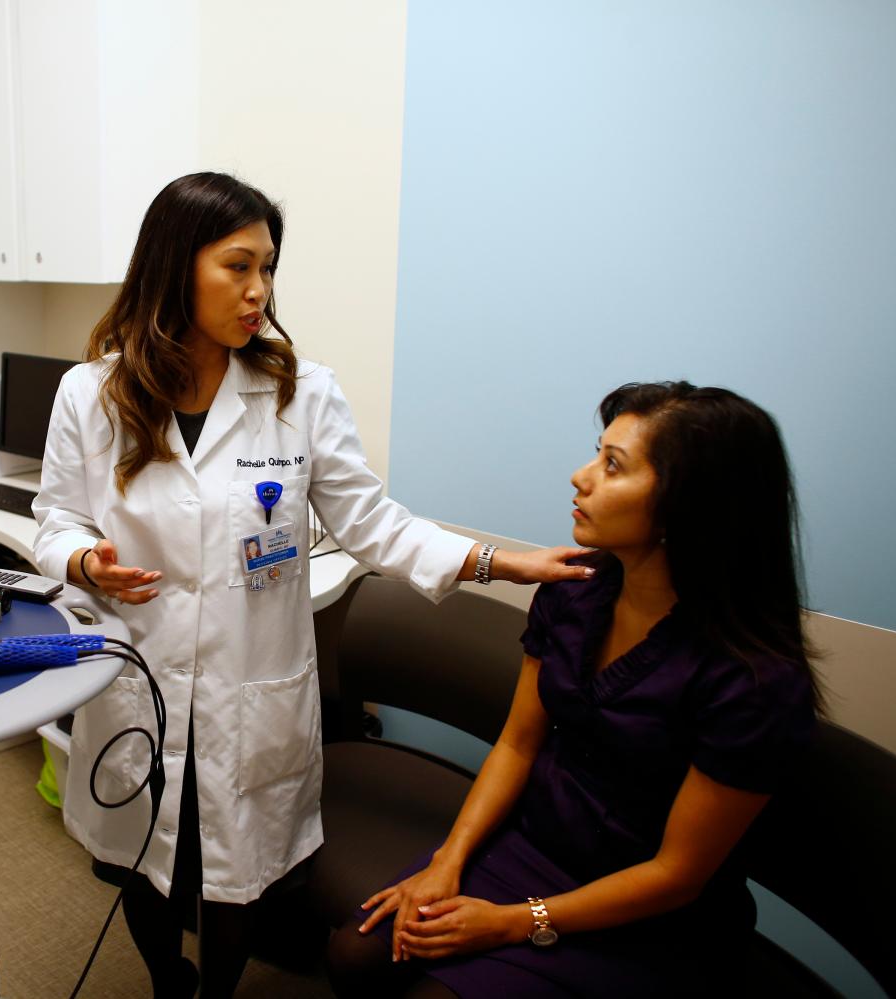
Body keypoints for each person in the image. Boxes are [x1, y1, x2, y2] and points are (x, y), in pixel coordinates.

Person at [31, 172, 589, 998]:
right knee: (141, 865)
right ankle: (166, 981)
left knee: (234, 876)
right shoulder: (93, 394)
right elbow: (54, 519)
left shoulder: (299, 394)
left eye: (269, 268)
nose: (259, 290)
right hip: (138, 677)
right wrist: (84, 562)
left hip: (248, 691)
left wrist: (500, 562)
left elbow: (372, 523)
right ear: (174, 266)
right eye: (237, 266)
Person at [324, 382, 821, 998]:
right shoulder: (573, 595)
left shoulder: (753, 680)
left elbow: (676, 874)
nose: (580, 477)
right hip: (533, 848)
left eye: (613, 466)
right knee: (355, 953)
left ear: (687, 507)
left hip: (650, 913)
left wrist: (513, 924)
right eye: (597, 454)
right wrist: (447, 860)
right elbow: (518, 744)